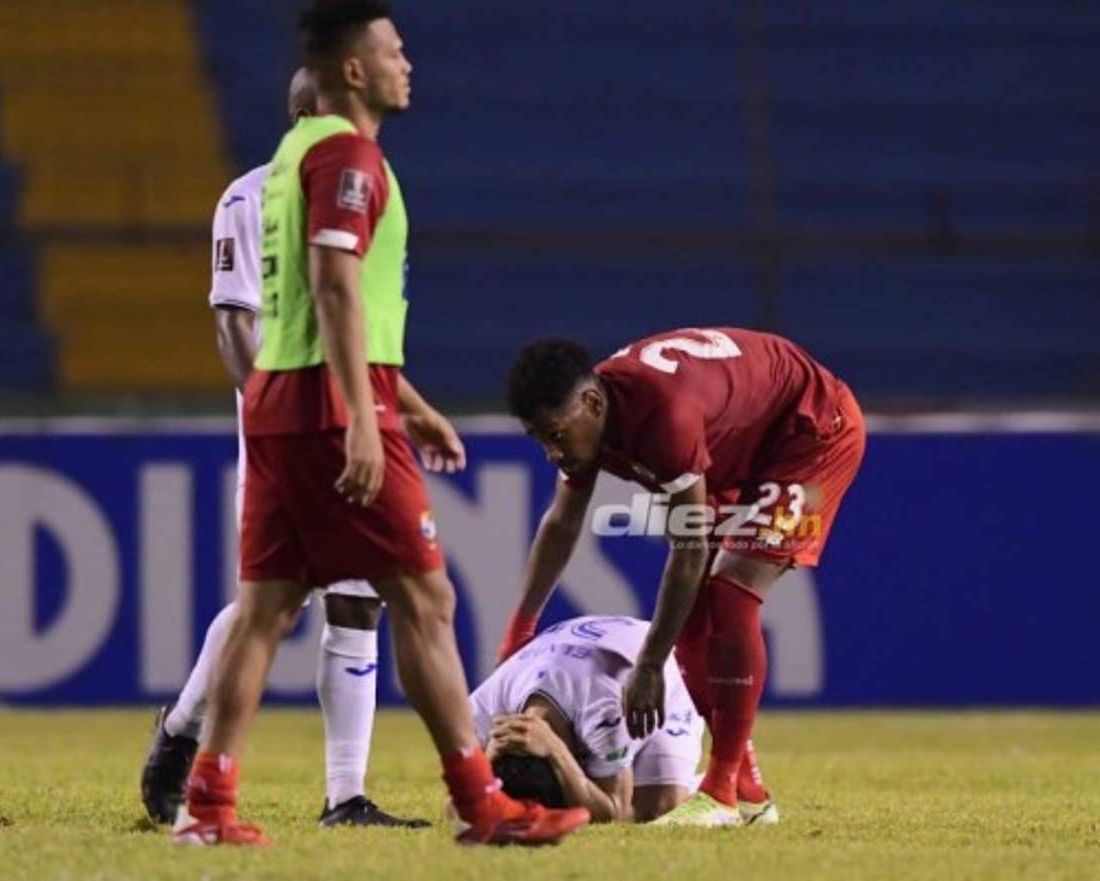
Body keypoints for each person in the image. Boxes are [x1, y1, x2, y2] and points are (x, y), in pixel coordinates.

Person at [174, 0, 589, 846]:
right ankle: (483, 803)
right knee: (425, 597)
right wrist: (366, 420)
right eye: (394, 51)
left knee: (264, 611)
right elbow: (332, 285)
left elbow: (321, 304)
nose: (409, 64)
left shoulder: (290, 155)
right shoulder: (349, 155)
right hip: (332, 410)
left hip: (280, 404)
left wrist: (413, 405)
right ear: (354, 70)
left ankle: (206, 807)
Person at [141, 68, 425, 830]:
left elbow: (367, 326)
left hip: (354, 418)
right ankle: (180, 734)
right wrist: (281, 416)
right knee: (276, 601)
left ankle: (345, 794)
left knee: (361, 594)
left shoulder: (374, 192)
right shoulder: (252, 195)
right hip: (285, 428)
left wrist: (386, 410)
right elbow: (234, 323)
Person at [501, 326, 866, 827]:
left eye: (556, 434)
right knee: (692, 616)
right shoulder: (594, 417)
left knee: (730, 591)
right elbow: (562, 522)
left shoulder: (662, 418)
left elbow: (688, 551)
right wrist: (520, 627)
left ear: (591, 401)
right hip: (743, 445)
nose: (553, 452)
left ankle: (720, 794)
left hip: (810, 431)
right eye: (540, 439)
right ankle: (750, 792)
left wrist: (649, 665)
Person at [471, 615, 703, 823]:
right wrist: (487, 760)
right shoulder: (478, 716)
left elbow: (616, 811)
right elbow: (457, 805)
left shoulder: (605, 712)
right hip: (581, 646)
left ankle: (721, 785)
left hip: (657, 669)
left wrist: (556, 752)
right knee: (589, 787)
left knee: (656, 809)